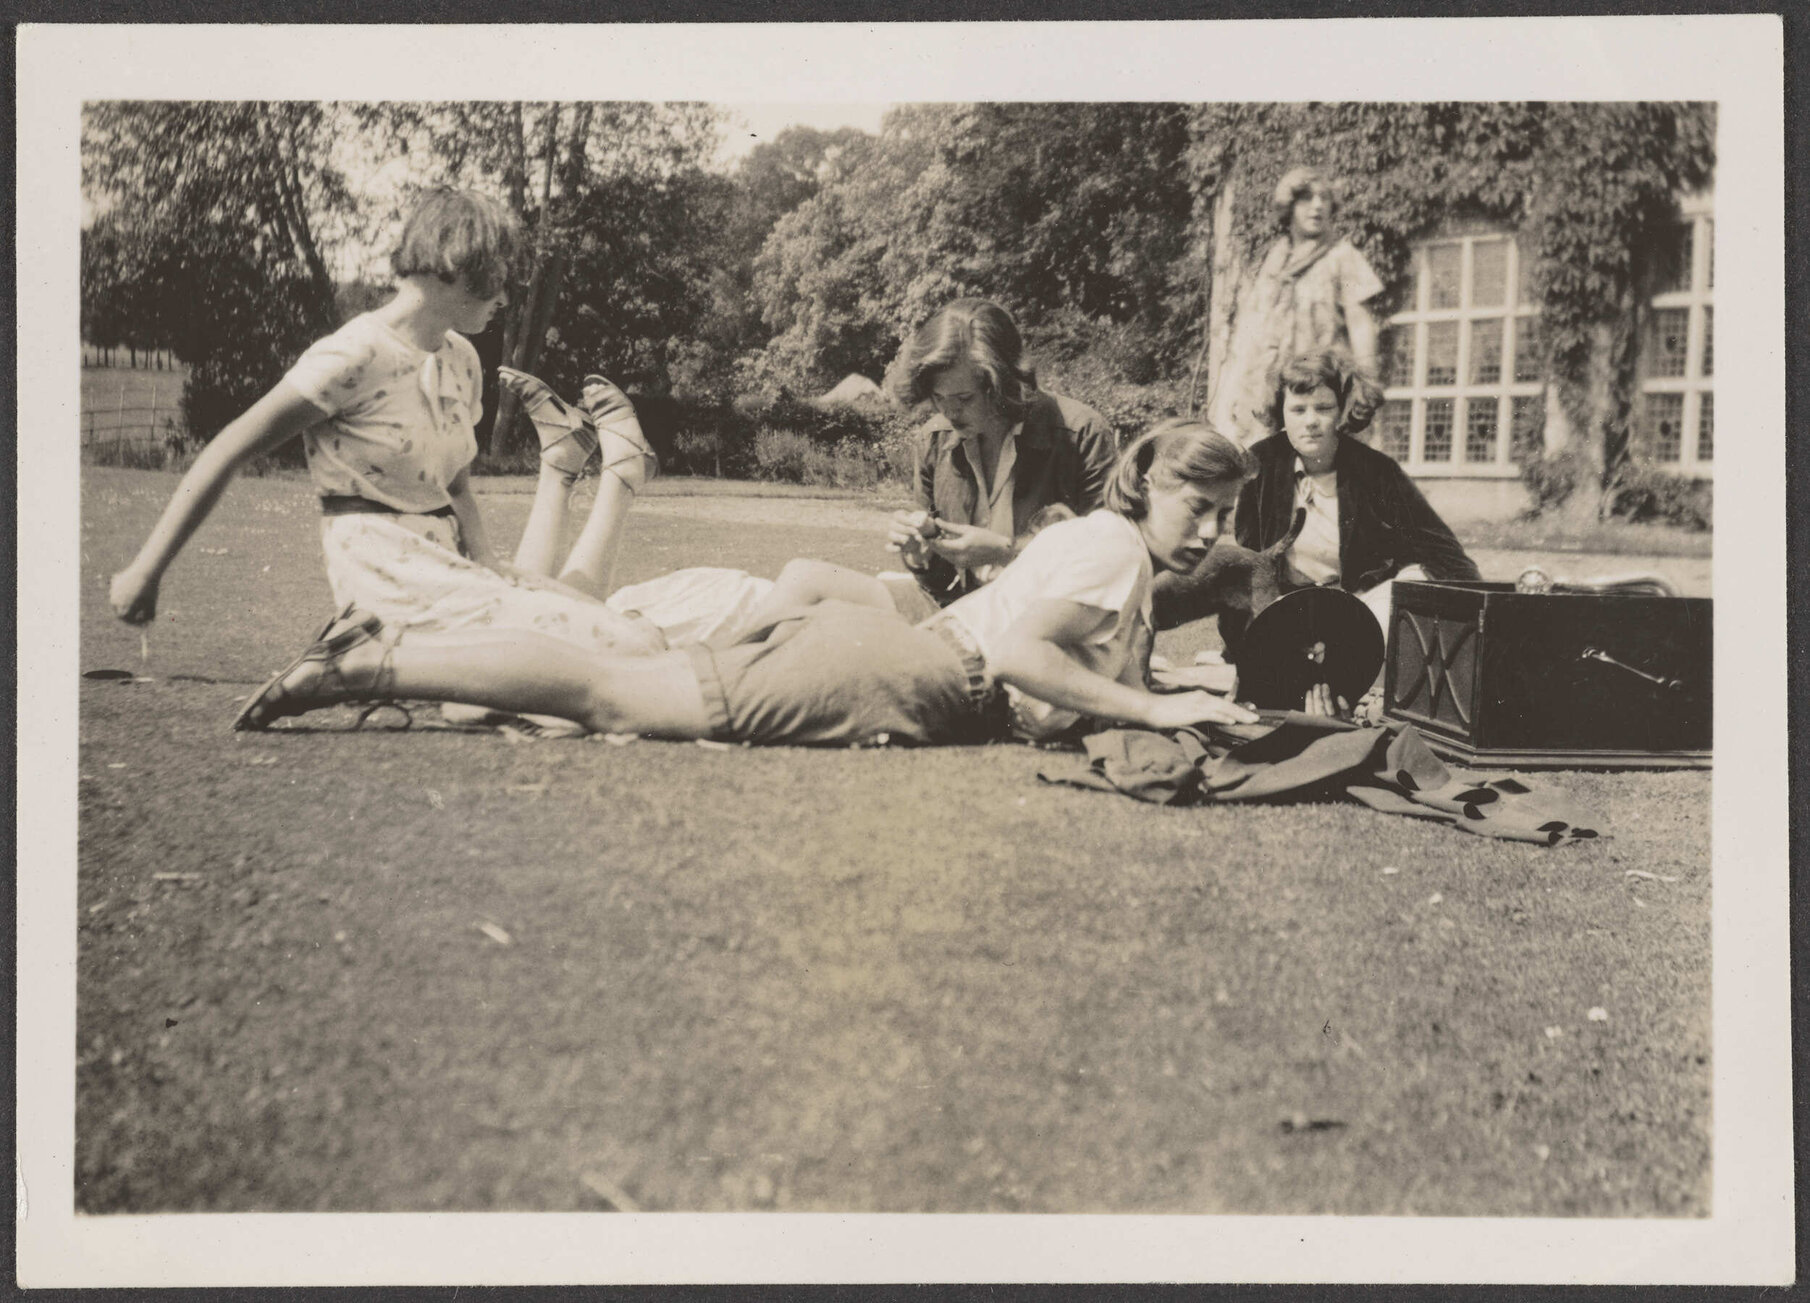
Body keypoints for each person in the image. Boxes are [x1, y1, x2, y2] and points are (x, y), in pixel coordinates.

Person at [230, 421, 1264, 746]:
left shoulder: (1098, 541)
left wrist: (1175, 683)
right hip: (909, 672)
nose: (1208, 533)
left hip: (893, 656)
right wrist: (1153, 709)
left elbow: (1060, 648)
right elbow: (1026, 655)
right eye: (1198, 508)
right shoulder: (1117, 548)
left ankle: (383, 654)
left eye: (1223, 517)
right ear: (1147, 488)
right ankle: (373, 661)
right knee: (611, 692)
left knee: (618, 668)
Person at [109, 187, 666, 660]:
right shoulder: (351, 355)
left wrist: (491, 564)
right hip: (383, 577)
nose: (503, 297)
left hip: (447, 568)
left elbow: (457, 486)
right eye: (498, 279)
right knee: (603, 646)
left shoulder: (460, 359)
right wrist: (146, 571)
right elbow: (229, 448)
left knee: (595, 624)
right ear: (456, 265)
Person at [877, 297, 1119, 621]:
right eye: (938, 397)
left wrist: (1008, 551)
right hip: (967, 626)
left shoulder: (1081, 435)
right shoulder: (934, 440)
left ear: (1003, 384)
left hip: (1050, 631)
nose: (948, 412)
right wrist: (921, 557)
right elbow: (943, 588)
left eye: (964, 398)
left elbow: (1113, 559)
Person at [1232, 347, 1480, 639]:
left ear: (1341, 410)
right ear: (1281, 413)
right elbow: (1248, 557)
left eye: (1323, 408)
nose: (1311, 421)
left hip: (1362, 606)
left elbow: (1446, 555)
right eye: (1298, 410)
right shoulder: (1261, 464)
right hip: (1291, 605)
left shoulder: (1376, 471)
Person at [1208, 167, 1384, 448]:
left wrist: (1367, 385)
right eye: (1306, 198)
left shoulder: (1342, 257)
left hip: (1320, 387)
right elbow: (1252, 330)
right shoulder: (1274, 260)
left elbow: (1360, 322)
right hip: (1273, 390)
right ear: (1288, 207)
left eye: (1324, 198)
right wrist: (1240, 387)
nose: (1317, 206)